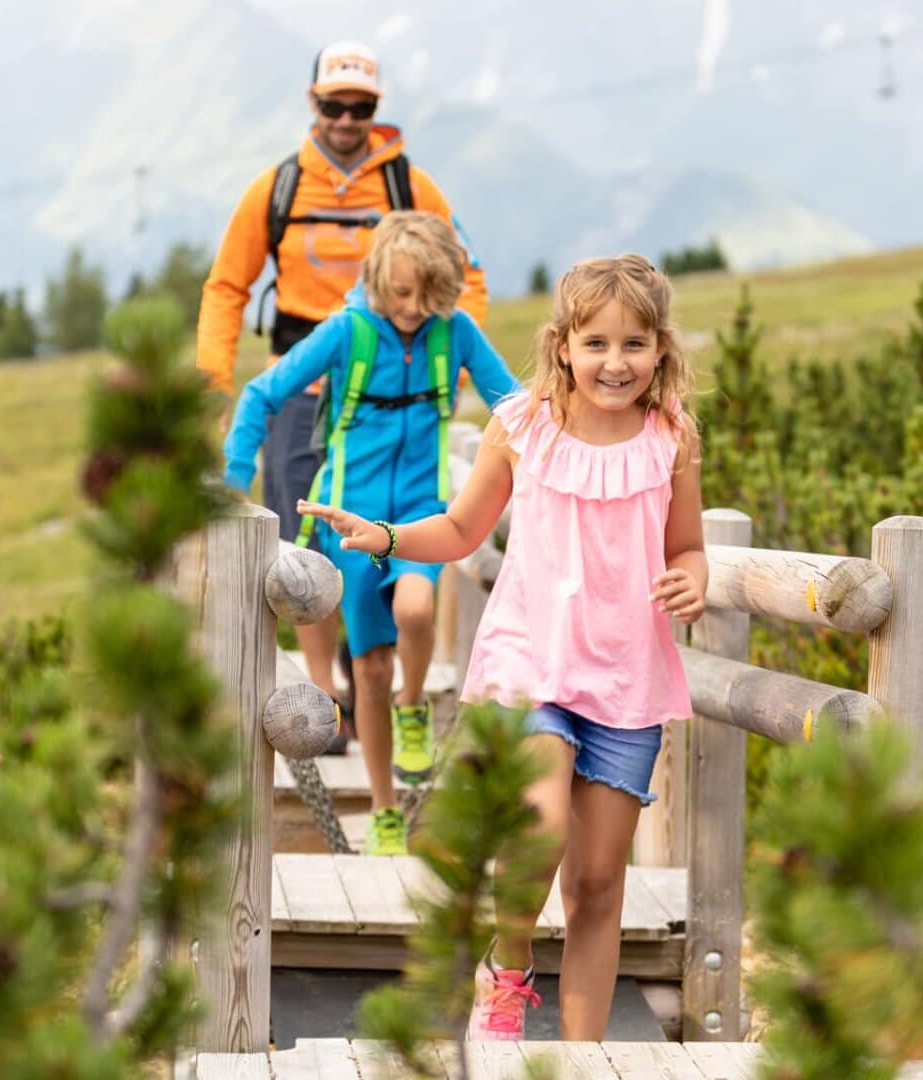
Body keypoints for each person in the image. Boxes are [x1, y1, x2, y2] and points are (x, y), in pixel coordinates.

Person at [297, 254, 706, 1039]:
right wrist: (381, 534)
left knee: (597, 882)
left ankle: (584, 1057)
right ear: (562, 345)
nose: (614, 363)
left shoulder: (671, 439)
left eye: (633, 344)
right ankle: (509, 969)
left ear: (660, 350)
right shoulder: (523, 426)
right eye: (596, 343)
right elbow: (458, 530)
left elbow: (685, 546)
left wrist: (693, 576)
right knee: (540, 829)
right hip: (533, 668)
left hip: (627, 677)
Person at [197, 40, 489, 757]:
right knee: (308, 544)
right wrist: (214, 379)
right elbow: (227, 286)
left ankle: (371, 686)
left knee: (392, 531)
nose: (347, 119)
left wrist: (447, 371)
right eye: (334, 105)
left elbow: (468, 274)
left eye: (361, 107)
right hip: (305, 382)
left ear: (375, 110)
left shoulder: (412, 190)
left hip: (396, 390)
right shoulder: (277, 189)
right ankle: (323, 699)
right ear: (313, 103)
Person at [224, 212, 517, 855]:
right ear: (379, 280)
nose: (413, 310)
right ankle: (385, 808)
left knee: (416, 607)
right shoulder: (348, 332)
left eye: (428, 297)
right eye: (401, 294)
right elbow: (260, 395)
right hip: (347, 519)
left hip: (419, 510)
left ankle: (417, 705)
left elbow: (516, 409)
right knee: (372, 670)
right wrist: (233, 479)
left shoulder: (455, 333)